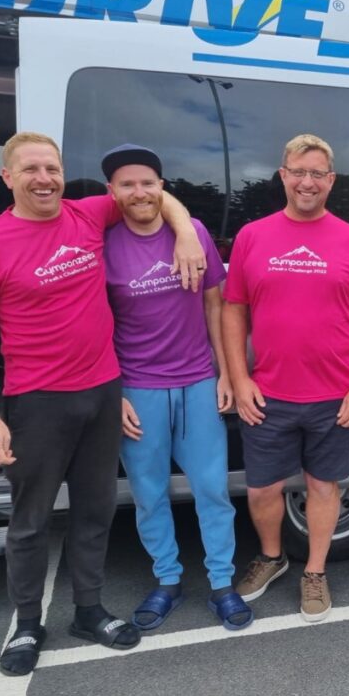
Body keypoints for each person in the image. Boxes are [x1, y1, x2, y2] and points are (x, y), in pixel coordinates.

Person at [0, 132, 206, 677]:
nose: (44, 178)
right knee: (31, 521)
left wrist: (185, 233)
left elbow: (155, 195)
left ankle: (88, 611)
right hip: (37, 400)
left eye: (52, 168)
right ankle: (25, 626)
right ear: (7, 177)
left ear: (64, 174)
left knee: (95, 512)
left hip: (103, 392)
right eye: (31, 169)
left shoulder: (86, 216)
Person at [222, 134, 349, 623]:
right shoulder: (254, 235)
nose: (307, 181)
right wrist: (239, 376)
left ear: (331, 181)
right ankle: (273, 557)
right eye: (298, 171)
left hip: (335, 396)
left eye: (317, 173)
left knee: (323, 488)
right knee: (261, 490)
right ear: (283, 175)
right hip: (267, 393)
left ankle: (314, 571)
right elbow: (234, 311)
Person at [101, 144, 252, 633]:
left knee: (212, 488)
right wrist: (114, 389)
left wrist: (226, 372)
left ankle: (223, 584)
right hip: (138, 387)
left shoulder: (194, 234)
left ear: (162, 188)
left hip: (196, 383)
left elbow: (216, 306)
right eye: (127, 184)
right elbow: (96, 323)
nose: (139, 192)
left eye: (148, 182)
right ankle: (167, 580)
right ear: (113, 192)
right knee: (148, 493)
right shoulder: (102, 240)